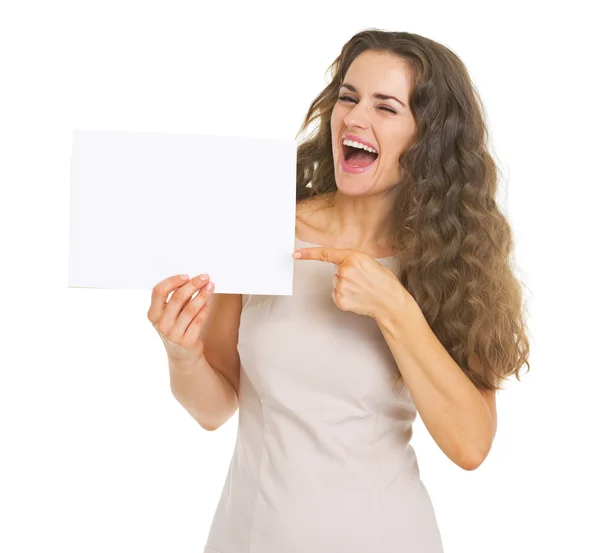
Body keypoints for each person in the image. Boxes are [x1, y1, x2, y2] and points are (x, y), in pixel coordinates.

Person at [147, 29, 531, 553]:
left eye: (386, 107)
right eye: (348, 97)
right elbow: (215, 409)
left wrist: (394, 306)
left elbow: (470, 445)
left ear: (428, 138)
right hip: (249, 535)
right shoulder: (261, 226)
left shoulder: (448, 263)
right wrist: (182, 353)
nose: (354, 118)